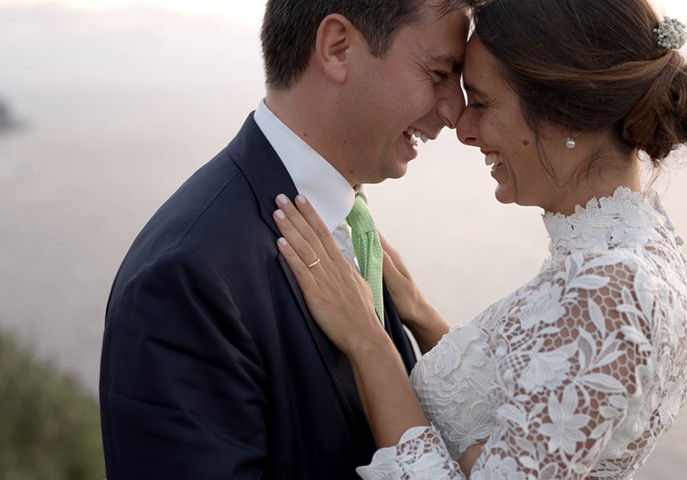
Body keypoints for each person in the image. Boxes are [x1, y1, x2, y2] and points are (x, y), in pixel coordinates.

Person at [272, 0, 687, 477]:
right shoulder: (642, 249)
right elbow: (528, 399)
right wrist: (421, 316)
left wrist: (368, 343)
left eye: (484, 103)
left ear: (568, 112)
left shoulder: (613, 286)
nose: (462, 128)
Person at [98, 0, 474, 478]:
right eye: (440, 73)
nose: (456, 111)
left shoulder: (348, 226)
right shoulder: (188, 274)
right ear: (337, 48)